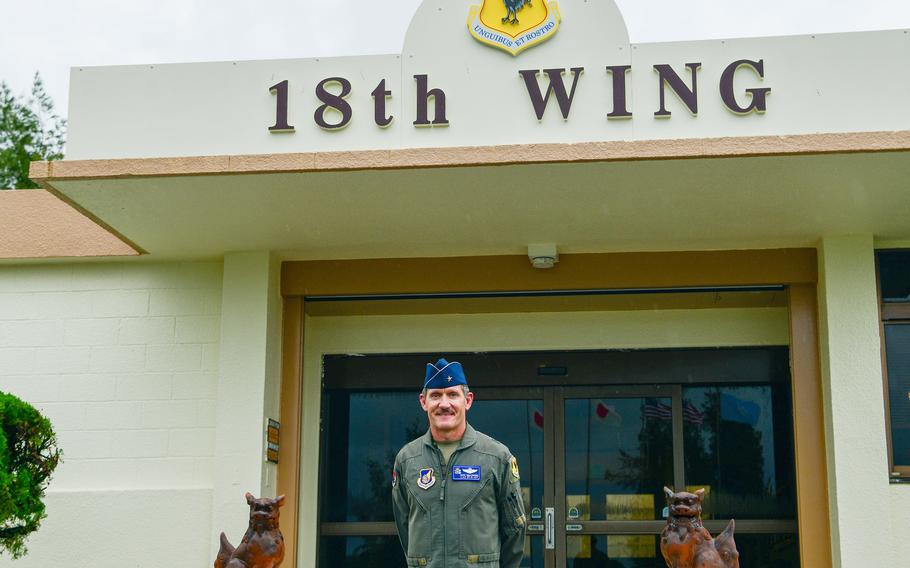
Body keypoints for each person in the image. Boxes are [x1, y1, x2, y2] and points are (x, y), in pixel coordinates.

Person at [392, 358, 527, 568]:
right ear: (423, 401)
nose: (444, 404)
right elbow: (404, 527)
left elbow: (514, 530)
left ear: (468, 400)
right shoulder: (407, 459)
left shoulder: (496, 457)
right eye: (436, 395)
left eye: (452, 394)